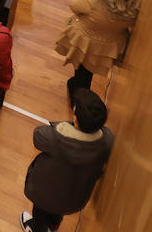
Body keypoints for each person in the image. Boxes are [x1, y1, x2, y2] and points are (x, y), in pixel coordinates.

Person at [20, 90, 115, 232]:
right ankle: (52, 227)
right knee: (58, 214)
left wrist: (64, 126)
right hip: (73, 197)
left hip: (44, 193)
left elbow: (37, 135)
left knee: (40, 215)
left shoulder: (54, 137)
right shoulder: (106, 141)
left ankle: (36, 228)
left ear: (76, 119)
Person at [56, 0, 141, 97]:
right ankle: (81, 90)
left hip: (86, 42)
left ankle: (78, 94)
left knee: (82, 72)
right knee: (89, 70)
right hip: (107, 47)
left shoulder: (95, 0)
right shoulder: (134, 9)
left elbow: (74, 6)